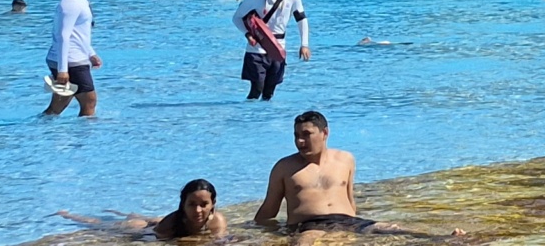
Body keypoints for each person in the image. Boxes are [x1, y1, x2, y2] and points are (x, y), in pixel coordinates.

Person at [256, 110, 371, 232]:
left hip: (348, 222)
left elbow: (349, 199)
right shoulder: (284, 167)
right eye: (296, 135)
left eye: (306, 134)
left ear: (325, 133)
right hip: (309, 226)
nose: (300, 141)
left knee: (391, 229)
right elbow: (269, 210)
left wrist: (353, 233)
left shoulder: (345, 159)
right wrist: (251, 232)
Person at [234, 0, 311, 102]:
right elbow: (237, 18)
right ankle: (246, 118)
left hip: (278, 48)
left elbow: (301, 19)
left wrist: (304, 44)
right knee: (256, 89)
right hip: (256, 49)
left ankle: (264, 120)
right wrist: (247, 34)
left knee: (269, 93)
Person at [62, 178, 230, 239]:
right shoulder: (170, 224)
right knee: (103, 226)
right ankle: (69, 215)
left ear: (213, 204)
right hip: (148, 232)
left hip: (162, 222)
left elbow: (219, 240)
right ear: (183, 205)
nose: (198, 210)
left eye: (204, 205)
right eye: (192, 205)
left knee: (152, 219)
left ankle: (126, 213)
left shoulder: (218, 221)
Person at [44, 0, 101, 118]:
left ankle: (39, 129)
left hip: (72, 58)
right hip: (71, 61)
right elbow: (63, 34)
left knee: (59, 104)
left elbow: (78, 32)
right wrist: (63, 69)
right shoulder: (72, 1)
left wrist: (90, 53)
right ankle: (85, 139)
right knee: (89, 101)